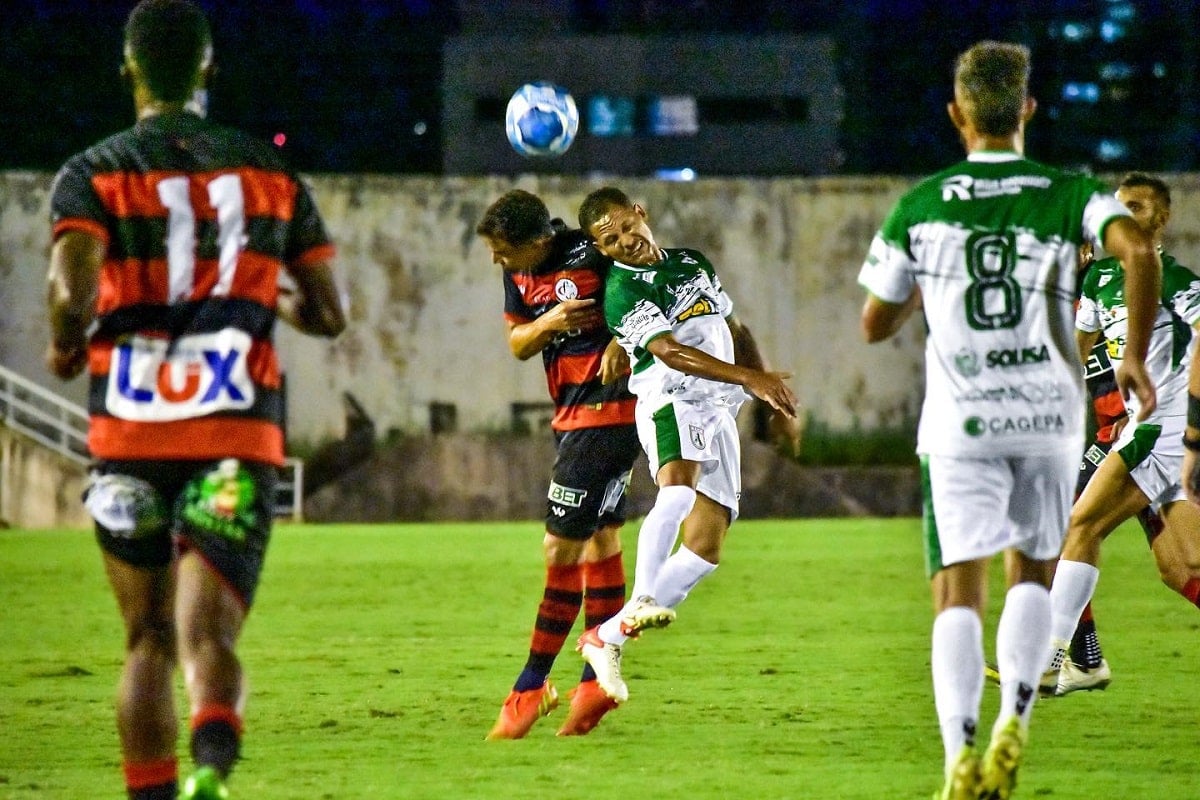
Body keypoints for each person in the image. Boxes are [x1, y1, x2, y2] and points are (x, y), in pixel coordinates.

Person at [45, 2, 346, 798]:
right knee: (205, 632)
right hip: (233, 434)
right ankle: (212, 766)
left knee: (144, 639)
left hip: (128, 433)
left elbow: (70, 292)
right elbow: (330, 313)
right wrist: (278, 305)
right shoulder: (271, 174)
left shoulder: (92, 172)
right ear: (209, 68)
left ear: (129, 70)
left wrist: (67, 346)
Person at [857, 41, 1160, 800]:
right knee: (1032, 571)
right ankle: (1013, 718)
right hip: (1050, 418)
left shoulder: (921, 204)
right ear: (1027, 109)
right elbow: (1139, 250)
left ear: (957, 115)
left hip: (961, 423)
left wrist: (929, 287)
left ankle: (959, 751)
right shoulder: (1070, 194)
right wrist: (1137, 355)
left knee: (957, 589)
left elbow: (873, 323)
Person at [573, 186, 799, 705]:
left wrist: (761, 385)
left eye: (626, 227)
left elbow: (732, 327)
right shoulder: (621, 293)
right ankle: (644, 598)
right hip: (672, 399)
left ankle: (606, 636)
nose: (625, 241)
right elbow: (670, 353)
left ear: (640, 213)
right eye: (610, 241)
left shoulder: (692, 262)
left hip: (719, 407)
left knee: (705, 549)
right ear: (602, 250)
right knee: (674, 495)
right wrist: (751, 379)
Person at [475, 189, 641, 738]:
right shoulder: (517, 277)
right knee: (602, 540)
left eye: (504, 252)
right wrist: (551, 321)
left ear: (539, 241)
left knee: (559, 546)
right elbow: (518, 344)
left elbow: (646, 288)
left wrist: (623, 336)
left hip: (609, 412)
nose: (498, 261)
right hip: (571, 418)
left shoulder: (589, 251)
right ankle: (596, 681)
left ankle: (529, 687)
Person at [1046, 172, 1200, 692]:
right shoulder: (1096, 283)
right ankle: (1079, 659)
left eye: (1136, 207)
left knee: (1074, 525)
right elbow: (1076, 356)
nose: (1123, 217)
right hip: (1131, 432)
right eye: (1118, 208)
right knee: (1180, 567)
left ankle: (1061, 658)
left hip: (1155, 432)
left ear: (1161, 219)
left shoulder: (1172, 279)